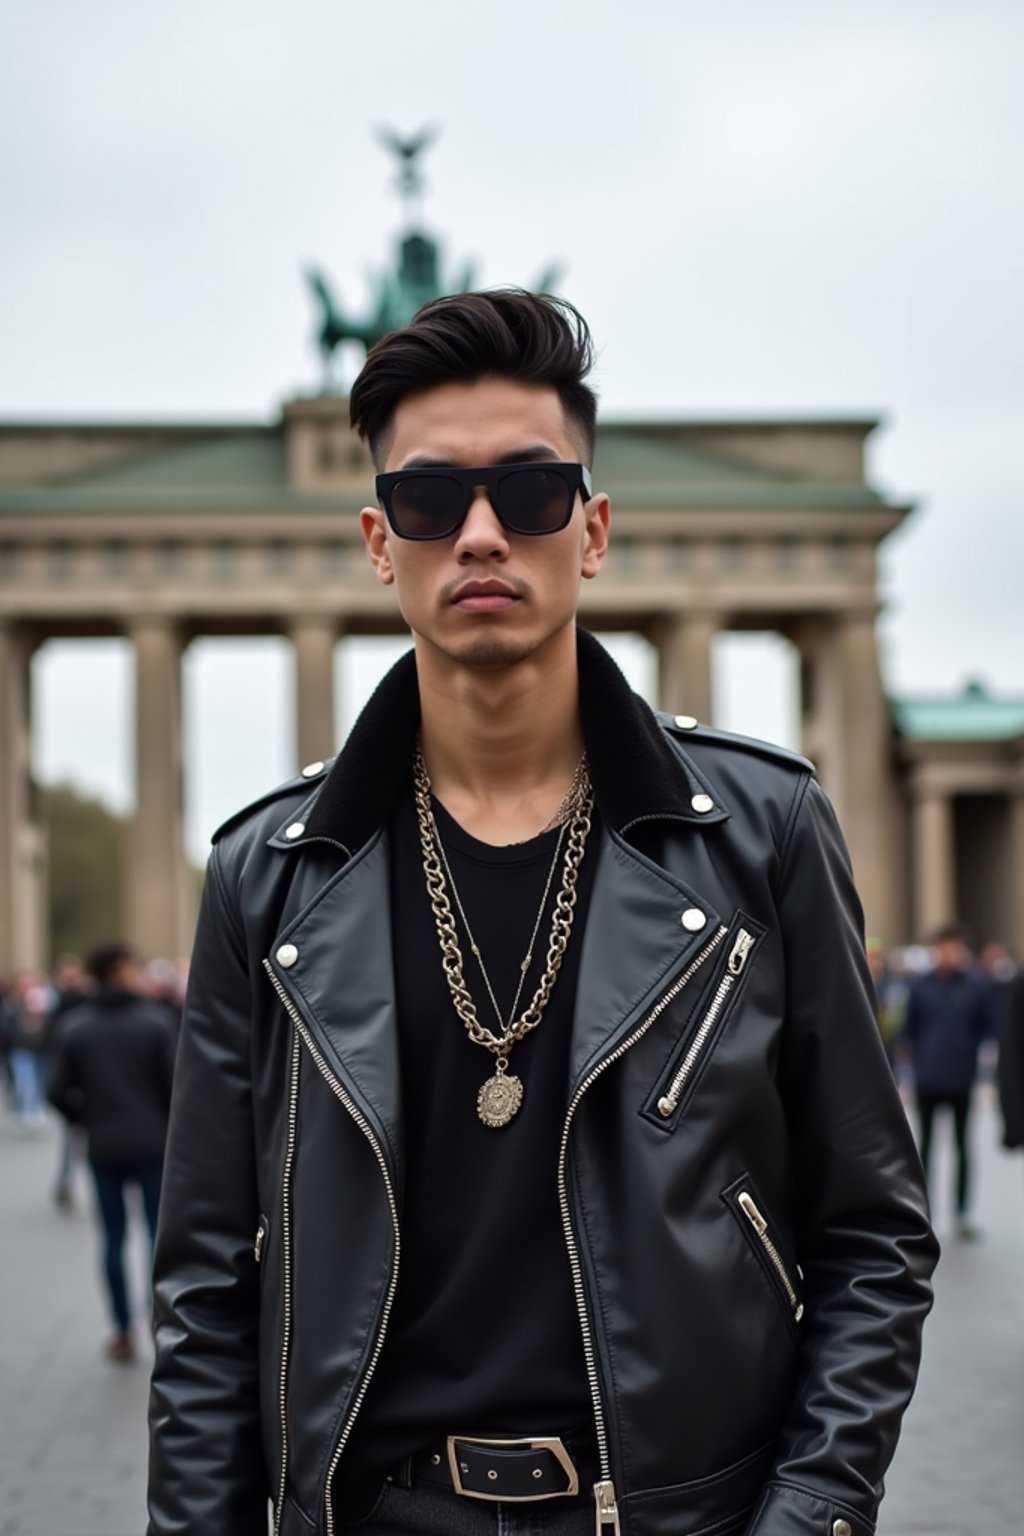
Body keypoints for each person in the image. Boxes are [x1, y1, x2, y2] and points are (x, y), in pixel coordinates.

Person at [147, 290, 938, 1536]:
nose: (479, 536)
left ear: (594, 526)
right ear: (374, 539)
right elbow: (202, 1281)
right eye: (427, 501)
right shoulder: (270, 872)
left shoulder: (761, 832)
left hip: (677, 1514)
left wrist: (811, 1515)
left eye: (528, 494)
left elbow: (874, 1233)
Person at [48, 942, 176, 1362]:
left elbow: (56, 1091)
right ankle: (159, 1318)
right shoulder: (155, 1023)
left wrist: (85, 1117)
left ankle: (121, 1328)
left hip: (103, 1145)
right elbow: (177, 1087)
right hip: (154, 1144)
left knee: (113, 1238)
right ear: (120, 971)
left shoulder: (76, 1026)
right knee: (159, 1237)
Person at [903, 922, 993, 1239]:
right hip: (928, 1079)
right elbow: (908, 1032)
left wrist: (984, 1075)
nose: (950, 953)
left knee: (962, 1147)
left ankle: (962, 1214)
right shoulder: (920, 986)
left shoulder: (976, 986)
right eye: (944, 947)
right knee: (924, 1149)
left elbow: (987, 1031)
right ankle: (923, 1213)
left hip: (961, 1078)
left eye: (955, 947)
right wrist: (908, 1075)